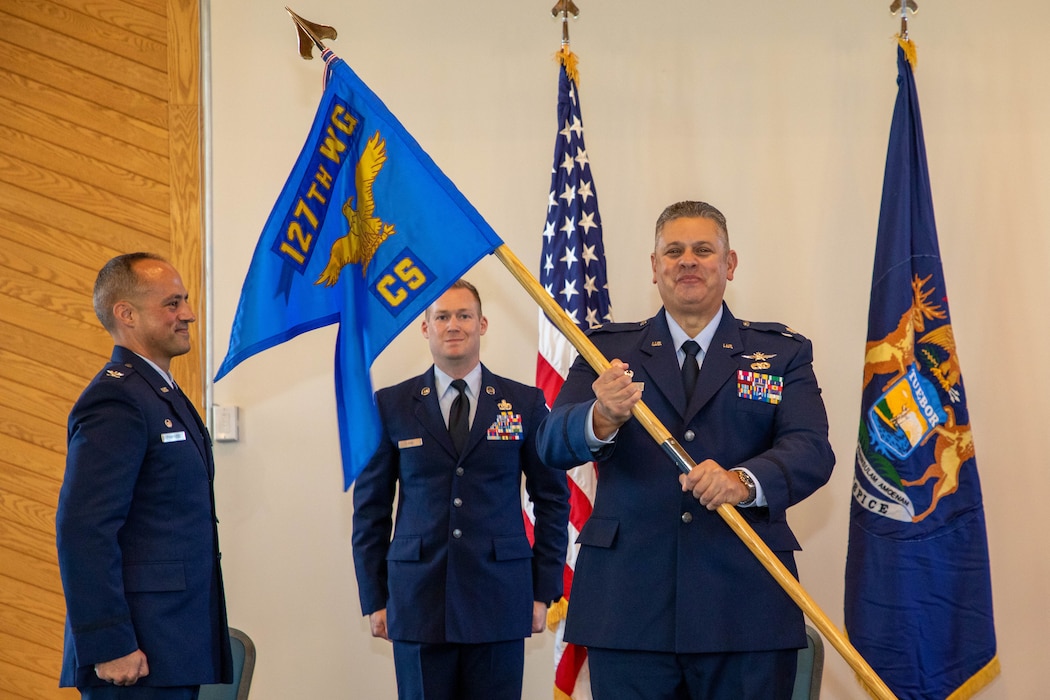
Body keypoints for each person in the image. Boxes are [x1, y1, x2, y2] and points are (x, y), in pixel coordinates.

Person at [536, 201, 835, 699]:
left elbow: (810, 449)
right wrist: (600, 416)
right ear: (655, 267)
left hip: (746, 609)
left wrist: (744, 481)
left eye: (703, 250)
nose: (687, 261)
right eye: (673, 251)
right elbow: (550, 443)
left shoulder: (782, 353)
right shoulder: (607, 352)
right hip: (629, 609)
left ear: (730, 263)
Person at [352, 279, 570, 700]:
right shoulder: (391, 405)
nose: (453, 325)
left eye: (464, 315)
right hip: (417, 601)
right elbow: (370, 511)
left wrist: (543, 591)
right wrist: (375, 597)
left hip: (500, 600)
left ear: (482, 324)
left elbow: (552, 499)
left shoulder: (523, 403)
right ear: (425, 328)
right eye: (442, 316)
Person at [56, 253, 232, 698]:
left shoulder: (158, 392)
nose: (188, 314)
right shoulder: (116, 400)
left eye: (186, 301)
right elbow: (84, 529)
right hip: (135, 653)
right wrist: (110, 643)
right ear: (126, 314)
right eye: (172, 304)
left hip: (171, 641)